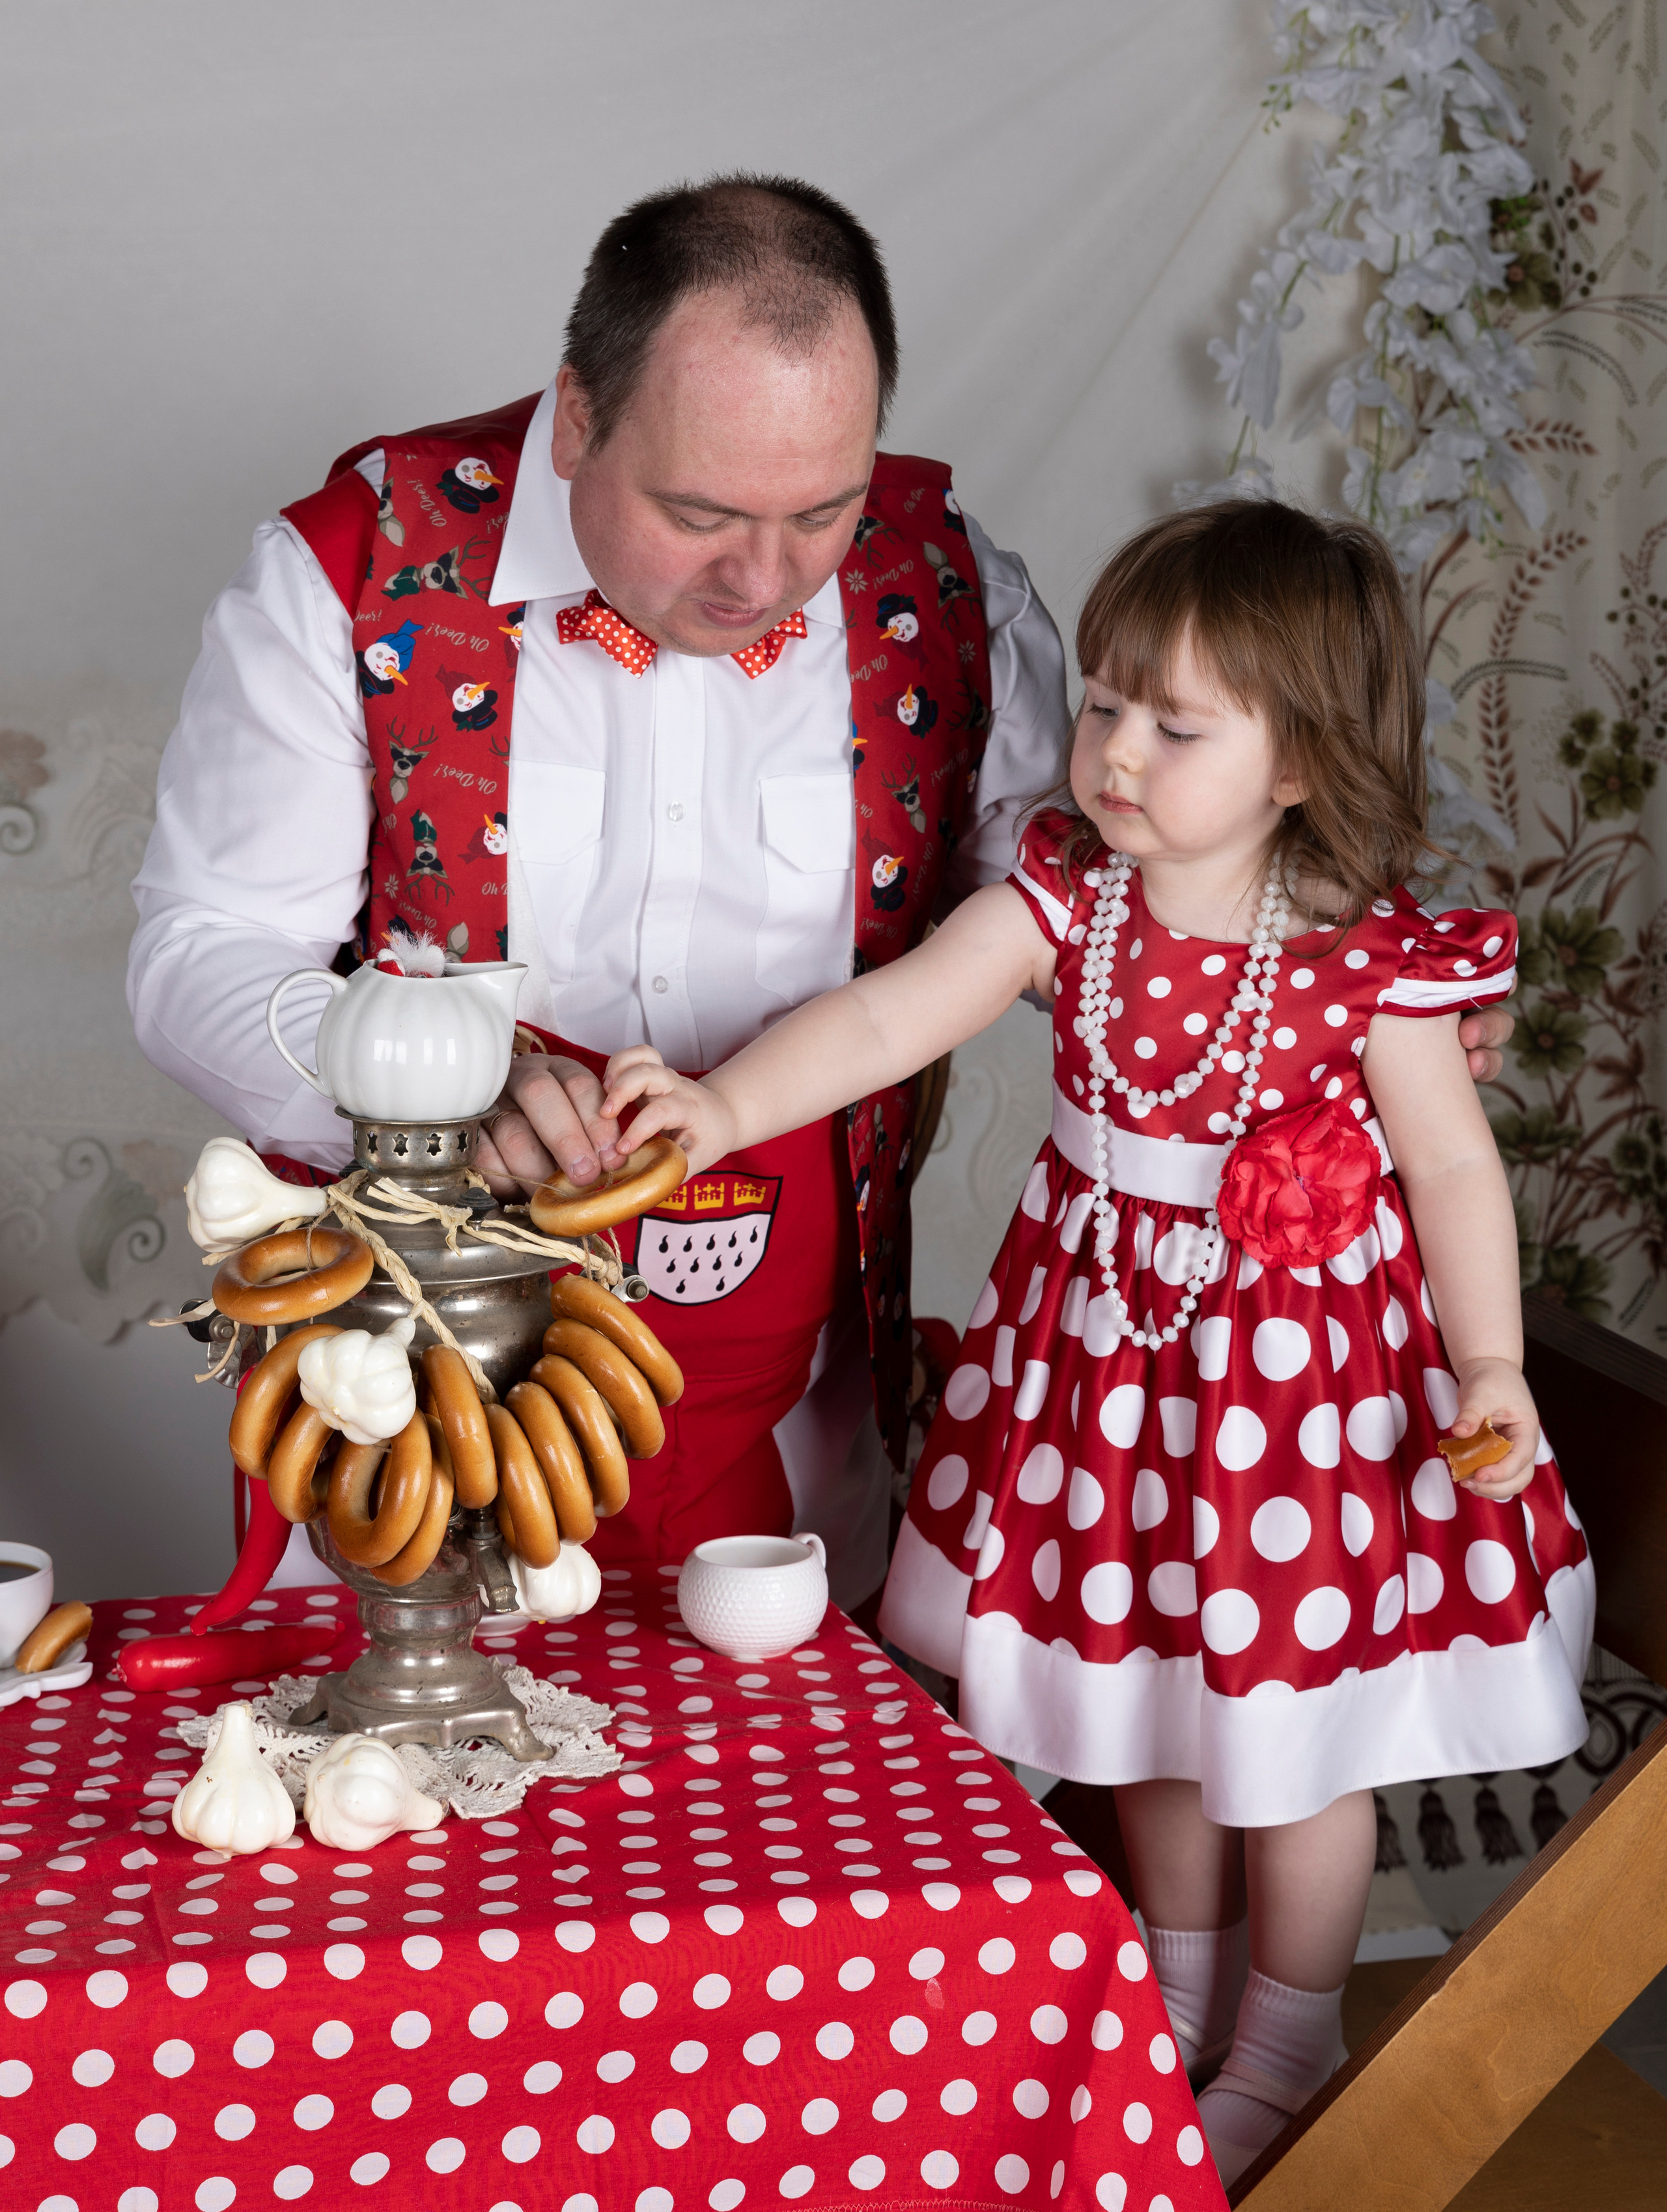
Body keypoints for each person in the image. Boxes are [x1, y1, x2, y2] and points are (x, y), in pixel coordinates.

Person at [599, 499, 1591, 2181]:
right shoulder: (1071, 897)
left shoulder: (1367, 961)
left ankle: (1290, 2038)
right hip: (1105, 1384)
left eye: (1174, 726)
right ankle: (1175, 2002)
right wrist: (724, 1106)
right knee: (1146, 1708)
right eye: (1111, 704)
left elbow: (1447, 1168)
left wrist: (1488, 1366)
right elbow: (892, 1013)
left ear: (1299, 762)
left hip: (1295, 1416)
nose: (1116, 750)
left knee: (1290, 1739)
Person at [129, 173, 1073, 1606]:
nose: (764, 578)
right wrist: (432, 1083)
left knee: (781, 1745)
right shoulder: (350, 568)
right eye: (700, 512)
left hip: (802, 1425)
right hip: (413, 1397)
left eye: (824, 510)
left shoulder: (948, 591)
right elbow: (202, 953)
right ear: (576, 417)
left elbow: (1094, 929)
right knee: (414, 1731)